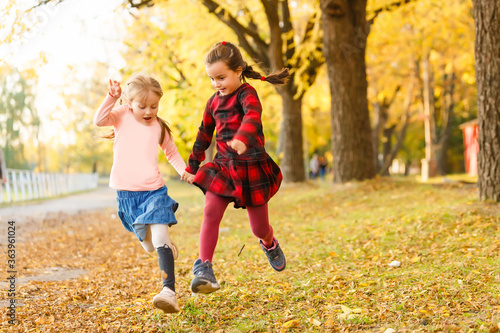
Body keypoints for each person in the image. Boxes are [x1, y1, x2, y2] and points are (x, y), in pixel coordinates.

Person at [181, 41, 288, 294]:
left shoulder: (247, 93)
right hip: (223, 167)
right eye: (212, 79)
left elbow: (253, 116)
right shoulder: (213, 103)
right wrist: (192, 165)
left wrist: (242, 137)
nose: (216, 83)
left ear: (238, 71)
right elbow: (204, 134)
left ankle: (269, 243)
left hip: (251, 166)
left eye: (221, 77)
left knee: (258, 228)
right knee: (210, 212)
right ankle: (204, 267)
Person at [94, 74, 187, 313]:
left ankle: (169, 292)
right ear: (129, 103)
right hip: (127, 197)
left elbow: (172, 154)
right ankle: (164, 247)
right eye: (142, 106)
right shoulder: (121, 115)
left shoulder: (158, 127)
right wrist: (111, 97)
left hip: (154, 191)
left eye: (154, 106)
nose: (148, 111)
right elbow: (99, 120)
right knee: (148, 246)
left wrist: (185, 171)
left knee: (158, 238)